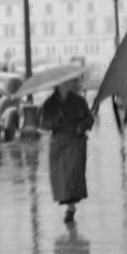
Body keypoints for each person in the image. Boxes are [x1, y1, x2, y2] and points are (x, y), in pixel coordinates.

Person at [40, 78, 94, 225]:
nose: (66, 86)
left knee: (72, 175)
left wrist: (81, 127)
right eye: (63, 83)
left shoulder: (78, 100)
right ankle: (70, 206)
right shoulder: (50, 103)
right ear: (57, 85)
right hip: (59, 143)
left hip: (75, 142)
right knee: (62, 177)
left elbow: (89, 118)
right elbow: (44, 123)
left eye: (68, 83)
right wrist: (56, 121)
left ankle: (71, 207)